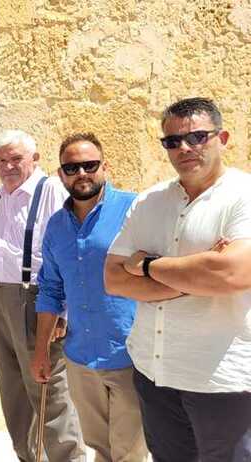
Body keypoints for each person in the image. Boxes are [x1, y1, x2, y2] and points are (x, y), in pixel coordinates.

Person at [104, 97, 251, 461]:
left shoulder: (242, 196)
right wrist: (198, 276)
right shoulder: (150, 200)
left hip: (219, 379)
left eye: (198, 137)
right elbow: (112, 278)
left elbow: (233, 272)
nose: (184, 148)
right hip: (155, 372)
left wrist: (148, 265)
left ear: (223, 138)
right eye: (172, 141)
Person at [29, 133, 146, 462]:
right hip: (81, 359)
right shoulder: (55, 227)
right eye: (72, 167)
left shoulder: (134, 209)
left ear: (105, 167)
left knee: (130, 454)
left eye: (90, 165)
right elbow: (51, 289)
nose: (81, 173)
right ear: (60, 173)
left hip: (130, 356)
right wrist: (41, 352)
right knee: (100, 449)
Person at [0, 129, 86, 462]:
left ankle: (67, 458)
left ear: (35, 159)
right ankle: (28, 457)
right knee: (12, 387)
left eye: (16, 159)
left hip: (36, 300)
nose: (8, 166)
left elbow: (70, 252)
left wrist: (63, 313)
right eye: (1, 160)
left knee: (47, 389)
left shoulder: (51, 191)